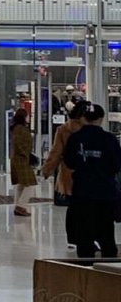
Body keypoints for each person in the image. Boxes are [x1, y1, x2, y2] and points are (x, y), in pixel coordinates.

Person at [63, 103, 121, 260]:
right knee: (106, 232)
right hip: (105, 193)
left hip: (82, 192)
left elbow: (69, 162)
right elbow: (116, 164)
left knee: (84, 233)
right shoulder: (109, 139)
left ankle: (86, 268)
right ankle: (109, 266)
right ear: (101, 119)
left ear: (84, 118)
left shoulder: (75, 139)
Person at [41, 99, 87, 248]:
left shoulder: (63, 130)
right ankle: (86, 236)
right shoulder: (89, 130)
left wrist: (47, 169)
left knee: (73, 207)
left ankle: (72, 238)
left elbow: (56, 152)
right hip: (88, 172)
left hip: (68, 172)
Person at [9, 108, 37, 216]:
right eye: (27, 115)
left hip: (18, 159)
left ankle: (18, 205)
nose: (28, 117)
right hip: (22, 160)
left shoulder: (16, 129)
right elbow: (20, 145)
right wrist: (26, 154)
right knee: (30, 184)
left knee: (21, 184)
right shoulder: (21, 129)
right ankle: (21, 205)